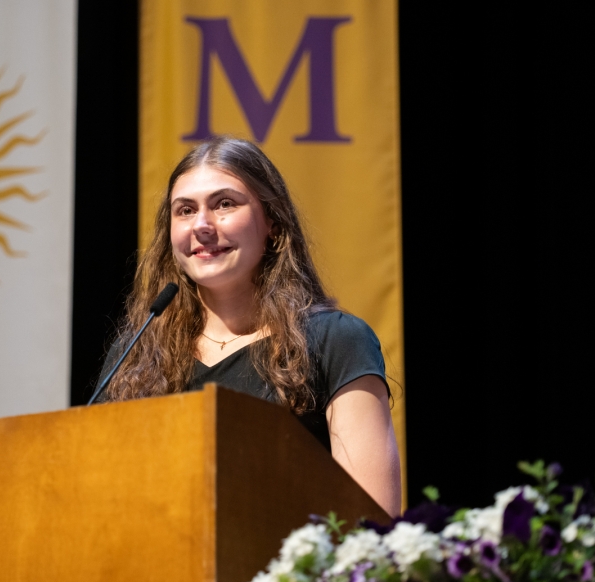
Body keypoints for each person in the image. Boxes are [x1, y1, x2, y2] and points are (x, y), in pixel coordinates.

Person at [96, 136, 401, 516]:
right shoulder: (138, 355)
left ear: (272, 222)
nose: (202, 226)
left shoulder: (335, 341)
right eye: (185, 210)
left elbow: (370, 520)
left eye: (225, 204)